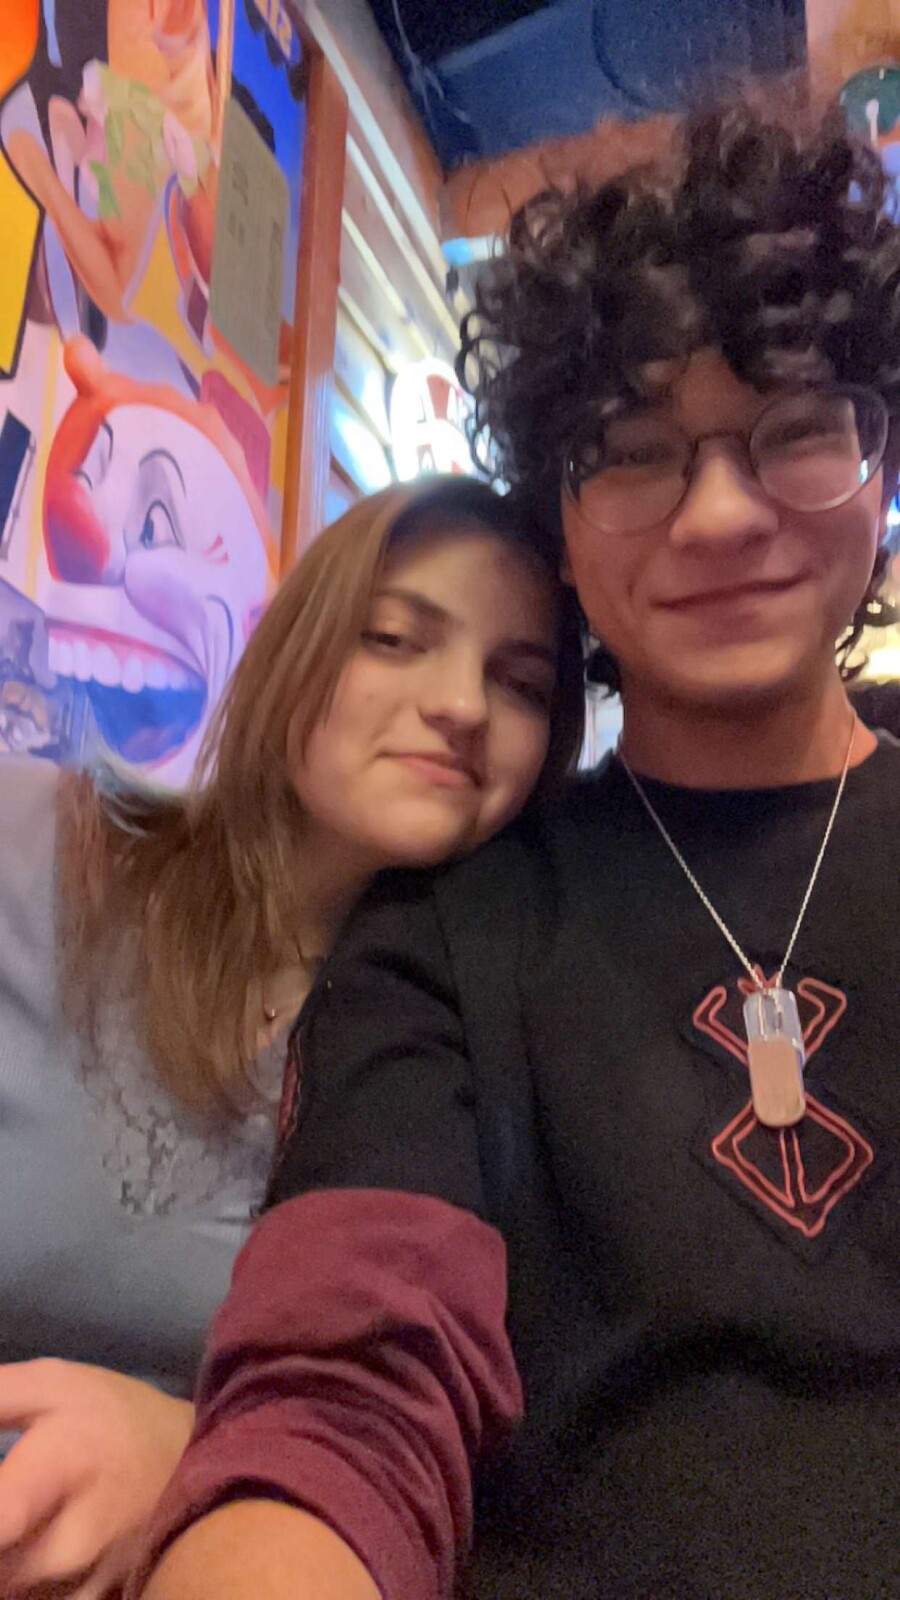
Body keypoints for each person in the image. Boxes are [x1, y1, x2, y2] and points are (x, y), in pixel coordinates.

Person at [134, 96, 900, 1600]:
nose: (719, 514)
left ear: (879, 466)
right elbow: (349, 1390)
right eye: (633, 451)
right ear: (559, 522)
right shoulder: (451, 922)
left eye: (799, 429)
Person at [0, 473, 583, 1600]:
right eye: (395, 638)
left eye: (520, 682)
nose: (462, 704)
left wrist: (192, 1453)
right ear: (295, 652)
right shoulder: (40, 849)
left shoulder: (488, 1055)